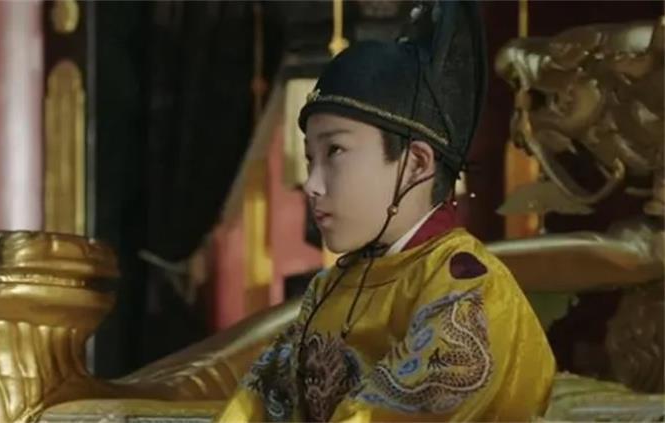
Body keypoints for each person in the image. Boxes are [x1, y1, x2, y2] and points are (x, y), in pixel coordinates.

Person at [217, 1, 555, 421]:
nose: (313, 184)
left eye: (335, 151)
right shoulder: (330, 288)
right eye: (309, 159)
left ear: (416, 164)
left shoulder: (468, 293)